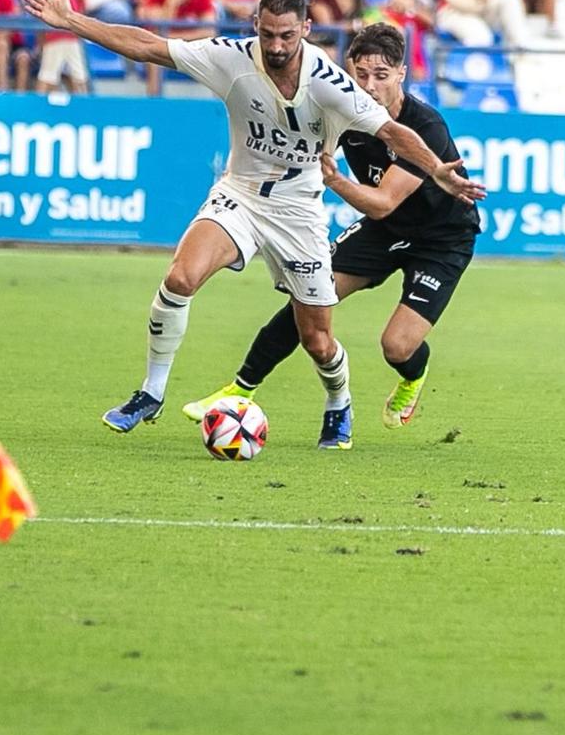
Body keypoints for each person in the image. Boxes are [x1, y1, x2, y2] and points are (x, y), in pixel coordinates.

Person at [19, 0, 485, 443]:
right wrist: (72, 21)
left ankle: (339, 401)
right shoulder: (230, 58)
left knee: (322, 340)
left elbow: (392, 136)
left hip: (310, 211)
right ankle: (152, 392)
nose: (277, 46)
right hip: (241, 193)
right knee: (181, 278)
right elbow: (149, 46)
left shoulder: (332, 85)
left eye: (287, 35)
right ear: (254, 25)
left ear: (305, 28)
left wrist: (437, 171)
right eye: (268, 34)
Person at [183, 22, 481, 431]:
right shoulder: (343, 110)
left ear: (401, 74)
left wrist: (335, 179)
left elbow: (381, 203)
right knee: (310, 299)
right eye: (361, 75)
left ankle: (413, 377)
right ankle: (240, 389)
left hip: (442, 239)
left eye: (381, 75)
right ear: (348, 71)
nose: (370, 86)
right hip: (387, 232)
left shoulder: (424, 127)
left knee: (396, 346)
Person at [27, 0, 91, 95]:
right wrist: (41, 44)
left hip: (73, 42)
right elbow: (43, 23)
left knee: (79, 77)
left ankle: (84, 107)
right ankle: (38, 108)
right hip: (54, 41)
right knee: (47, 76)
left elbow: (81, 21)